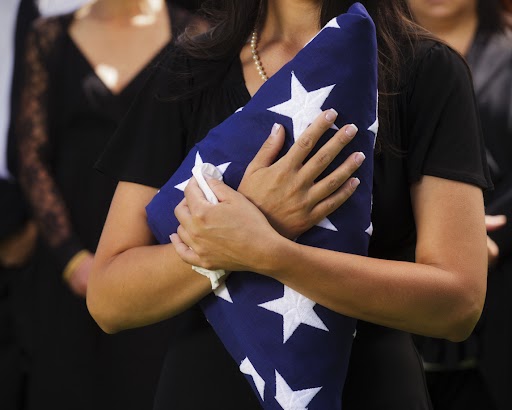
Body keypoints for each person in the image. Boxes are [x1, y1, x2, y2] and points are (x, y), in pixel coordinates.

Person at [88, 1, 491, 409]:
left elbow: (459, 304)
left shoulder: (426, 70)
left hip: (370, 389)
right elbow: (109, 300)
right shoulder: (189, 70)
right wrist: (231, 238)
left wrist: (272, 252)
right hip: (205, 388)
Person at [15, 1, 201, 409]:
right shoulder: (48, 36)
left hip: (160, 267)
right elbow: (29, 158)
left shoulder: (198, 37)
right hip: (67, 267)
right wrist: (72, 259)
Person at [408, 1, 512, 409]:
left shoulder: (506, 56)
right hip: (405, 270)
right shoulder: (373, 63)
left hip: (502, 275)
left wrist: (484, 236)